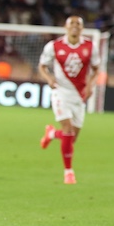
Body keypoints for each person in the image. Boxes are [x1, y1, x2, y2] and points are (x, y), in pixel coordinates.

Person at [37, 15, 100, 184]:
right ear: (65, 27)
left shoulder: (90, 47)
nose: (74, 26)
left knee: (72, 138)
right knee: (68, 129)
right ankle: (68, 172)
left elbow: (96, 69)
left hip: (79, 96)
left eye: (78, 24)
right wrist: (49, 78)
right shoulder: (54, 46)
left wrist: (90, 85)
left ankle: (51, 133)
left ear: (82, 28)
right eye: (71, 23)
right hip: (61, 92)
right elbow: (42, 66)